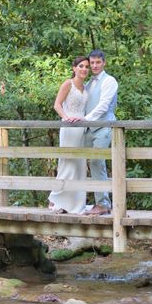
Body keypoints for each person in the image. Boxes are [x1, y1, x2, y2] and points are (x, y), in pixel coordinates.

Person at [47, 56, 90, 214]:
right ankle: (55, 198)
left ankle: (74, 203)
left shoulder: (86, 88)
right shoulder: (68, 83)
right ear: (74, 68)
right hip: (69, 126)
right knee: (67, 162)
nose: (84, 69)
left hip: (81, 128)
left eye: (86, 66)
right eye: (80, 66)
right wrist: (66, 118)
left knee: (79, 165)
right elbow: (57, 105)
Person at [83, 49, 118, 215]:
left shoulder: (109, 81)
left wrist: (86, 119)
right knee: (80, 162)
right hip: (88, 128)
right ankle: (75, 202)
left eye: (98, 62)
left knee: (97, 162)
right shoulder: (88, 83)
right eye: (92, 63)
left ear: (104, 63)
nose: (95, 66)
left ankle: (103, 203)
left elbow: (104, 106)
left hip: (103, 126)